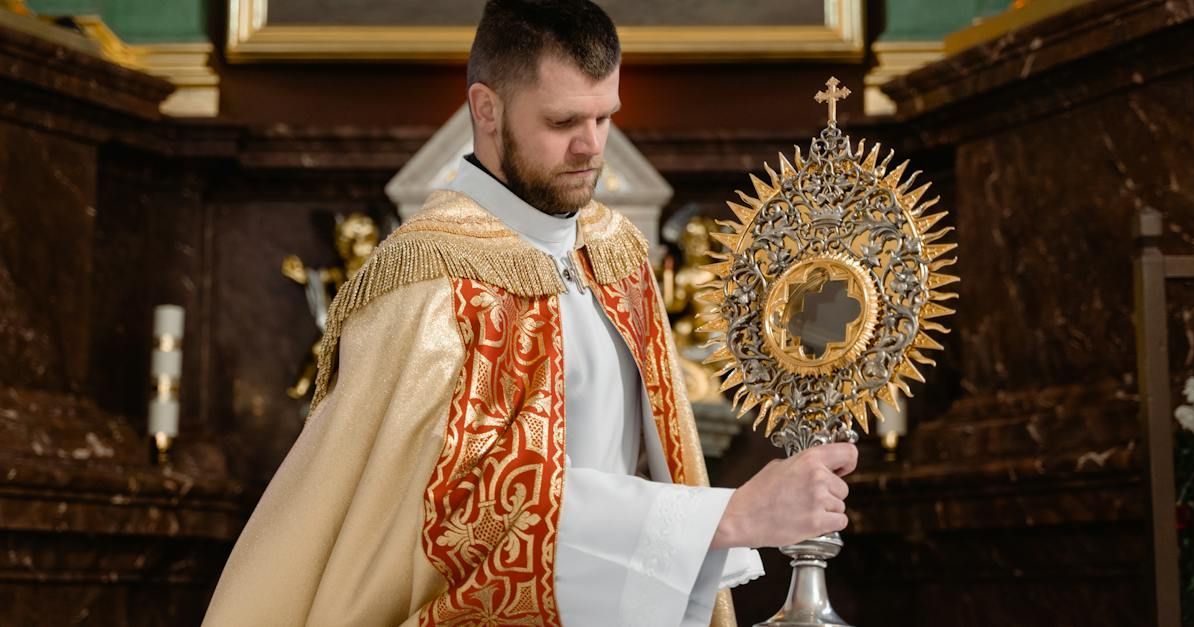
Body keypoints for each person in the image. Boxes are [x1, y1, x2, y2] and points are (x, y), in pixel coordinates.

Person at [201, 1, 858, 625]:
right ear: (486, 109)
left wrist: (710, 526)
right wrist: (728, 517)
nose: (591, 147)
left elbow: (655, 464)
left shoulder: (617, 251)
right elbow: (466, 511)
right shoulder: (428, 284)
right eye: (563, 122)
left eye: (604, 118)